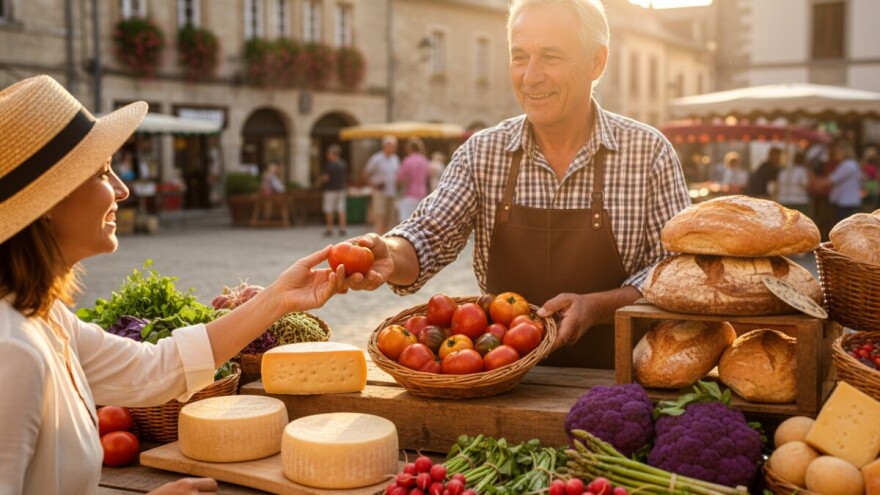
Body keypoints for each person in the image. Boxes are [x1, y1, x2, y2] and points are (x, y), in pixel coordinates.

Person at [0, 75, 344, 495]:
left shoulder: (44, 316)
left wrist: (278, 298)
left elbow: (156, 368)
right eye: (102, 172)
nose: (122, 190)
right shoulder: (11, 350)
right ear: (48, 204)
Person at [345, 0, 691, 369]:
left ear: (597, 62)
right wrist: (387, 252)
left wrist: (597, 306)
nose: (530, 76)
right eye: (520, 56)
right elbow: (427, 236)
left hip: (617, 378)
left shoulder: (649, 153)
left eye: (551, 57)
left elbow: (676, 270)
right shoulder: (483, 152)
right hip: (500, 379)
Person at [815, 138, 863, 223]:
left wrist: (815, 181)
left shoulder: (848, 165)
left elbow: (830, 180)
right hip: (845, 202)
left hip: (845, 202)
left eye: (836, 153)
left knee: (843, 226)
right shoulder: (849, 164)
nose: (834, 155)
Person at [363, 135, 400, 234]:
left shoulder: (395, 159)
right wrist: (373, 185)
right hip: (380, 192)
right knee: (380, 217)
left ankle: (387, 240)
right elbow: (366, 173)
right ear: (385, 146)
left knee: (391, 219)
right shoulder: (376, 158)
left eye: (394, 146)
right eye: (391, 146)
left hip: (392, 192)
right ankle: (379, 238)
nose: (393, 148)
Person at [396, 138, 431, 222]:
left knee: (406, 221)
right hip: (423, 194)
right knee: (418, 221)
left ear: (409, 148)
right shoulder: (425, 161)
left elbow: (399, 178)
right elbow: (428, 176)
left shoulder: (408, 160)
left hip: (410, 194)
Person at [319, 144, 348, 236]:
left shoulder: (329, 165)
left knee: (329, 209)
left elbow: (327, 178)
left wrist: (319, 180)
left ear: (333, 154)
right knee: (341, 209)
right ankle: (342, 228)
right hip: (341, 189)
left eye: (329, 153)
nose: (327, 155)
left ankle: (329, 229)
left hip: (330, 190)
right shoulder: (343, 164)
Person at [775, 150, 812, 216]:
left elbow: (777, 186)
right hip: (799, 201)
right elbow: (806, 185)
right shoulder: (802, 171)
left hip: (783, 200)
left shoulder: (783, 171)